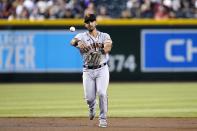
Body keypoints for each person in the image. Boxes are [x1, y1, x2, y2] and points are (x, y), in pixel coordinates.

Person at [70, 13, 112, 128]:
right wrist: (77, 43)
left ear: (96, 22)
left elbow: (108, 47)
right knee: (89, 98)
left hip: (102, 69)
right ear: (85, 24)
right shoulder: (81, 36)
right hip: (88, 71)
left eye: (92, 21)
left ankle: (103, 119)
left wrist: (100, 52)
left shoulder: (104, 35)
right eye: (87, 22)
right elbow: (72, 41)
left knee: (102, 93)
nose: (90, 23)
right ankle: (92, 107)